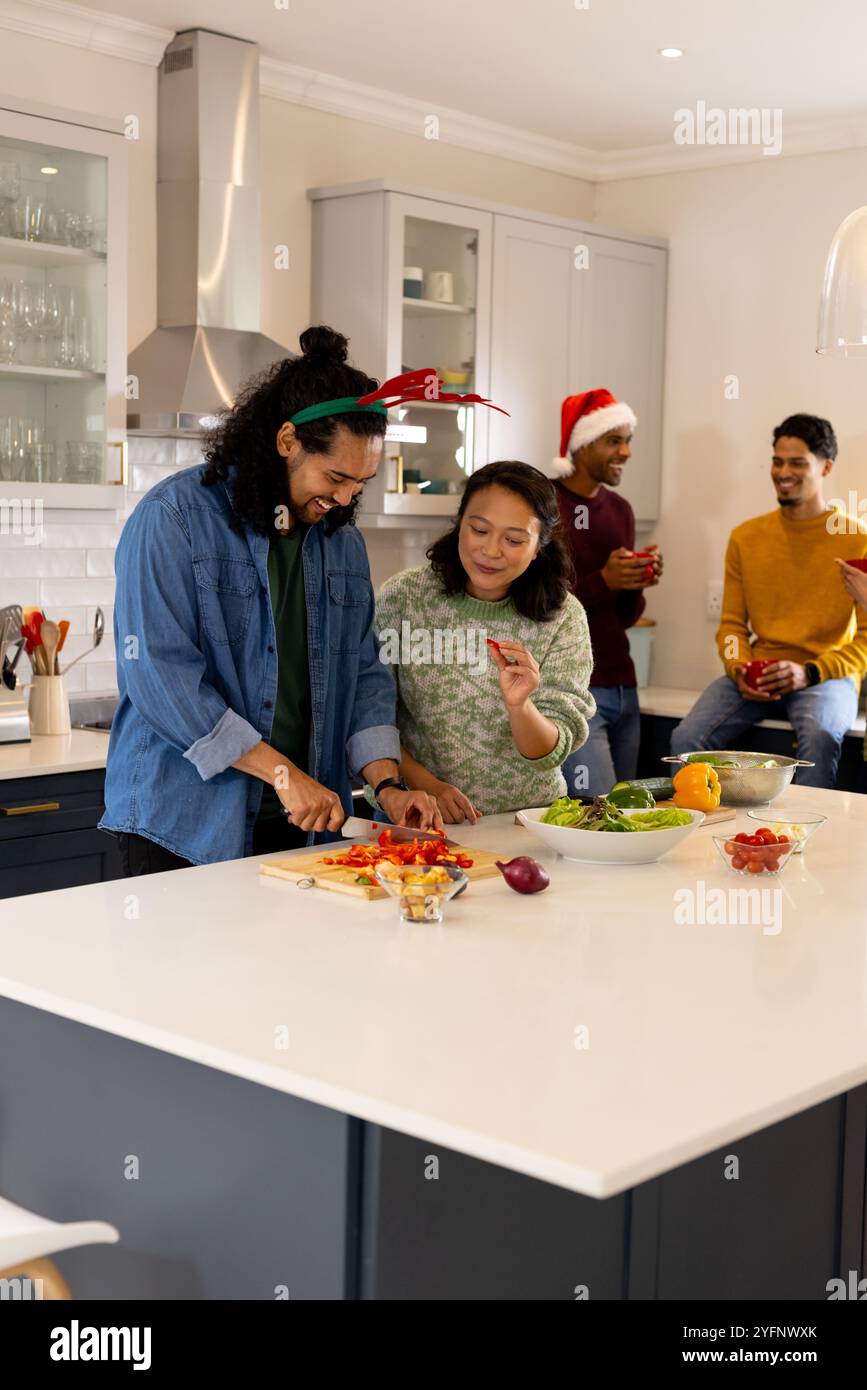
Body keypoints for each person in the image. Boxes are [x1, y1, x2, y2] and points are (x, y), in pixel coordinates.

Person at [99, 326, 439, 873]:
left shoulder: (341, 542)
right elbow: (160, 676)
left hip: (304, 830)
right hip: (181, 826)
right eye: (336, 476)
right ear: (287, 442)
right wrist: (281, 773)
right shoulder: (174, 520)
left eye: (362, 482)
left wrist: (388, 785)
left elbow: (365, 675)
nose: (347, 498)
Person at [373, 461, 595, 820]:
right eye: (479, 529)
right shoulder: (405, 597)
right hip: (419, 817)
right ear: (460, 523)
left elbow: (550, 753)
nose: (491, 551)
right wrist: (429, 786)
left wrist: (520, 706)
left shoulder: (563, 616)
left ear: (539, 546)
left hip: (527, 823)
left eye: (513, 540)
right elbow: (373, 714)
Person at [672, 414, 867, 787]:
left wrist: (810, 671)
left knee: (820, 742)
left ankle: (808, 841)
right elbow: (731, 626)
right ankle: (698, 829)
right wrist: (738, 666)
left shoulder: (857, 539)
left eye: (797, 462)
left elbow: (865, 639)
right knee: (686, 741)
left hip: (826, 676)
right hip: (759, 670)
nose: (783, 471)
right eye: (777, 461)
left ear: (825, 467)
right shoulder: (746, 538)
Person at [542, 388, 662, 797]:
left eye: (628, 440)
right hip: (574, 689)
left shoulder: (621, 510)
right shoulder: (544, 503)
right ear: (581, 443)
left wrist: (635, 582)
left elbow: (622, 617)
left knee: (627, 814)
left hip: (624, 686)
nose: (625, 452)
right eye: (614, 440)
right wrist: (603, 581)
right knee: (601, 812)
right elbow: (535, 603)